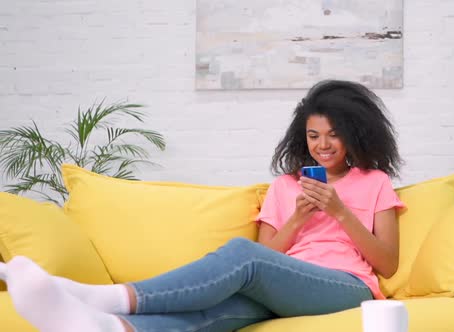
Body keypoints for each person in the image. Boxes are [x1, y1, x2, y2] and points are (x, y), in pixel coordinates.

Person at [0, 79, 405, 332]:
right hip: (283, 285)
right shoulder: (285, 187)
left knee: (241, 255)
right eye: (314, 135)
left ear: (354, 135)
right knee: (216, 311)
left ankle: (110, 296)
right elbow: (270, 258)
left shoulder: (373, 182)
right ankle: (110, 326)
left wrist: (340, 212)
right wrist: (299, 216)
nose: (323, 145)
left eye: (333, 135)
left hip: (346, 287)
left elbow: (387, 263)